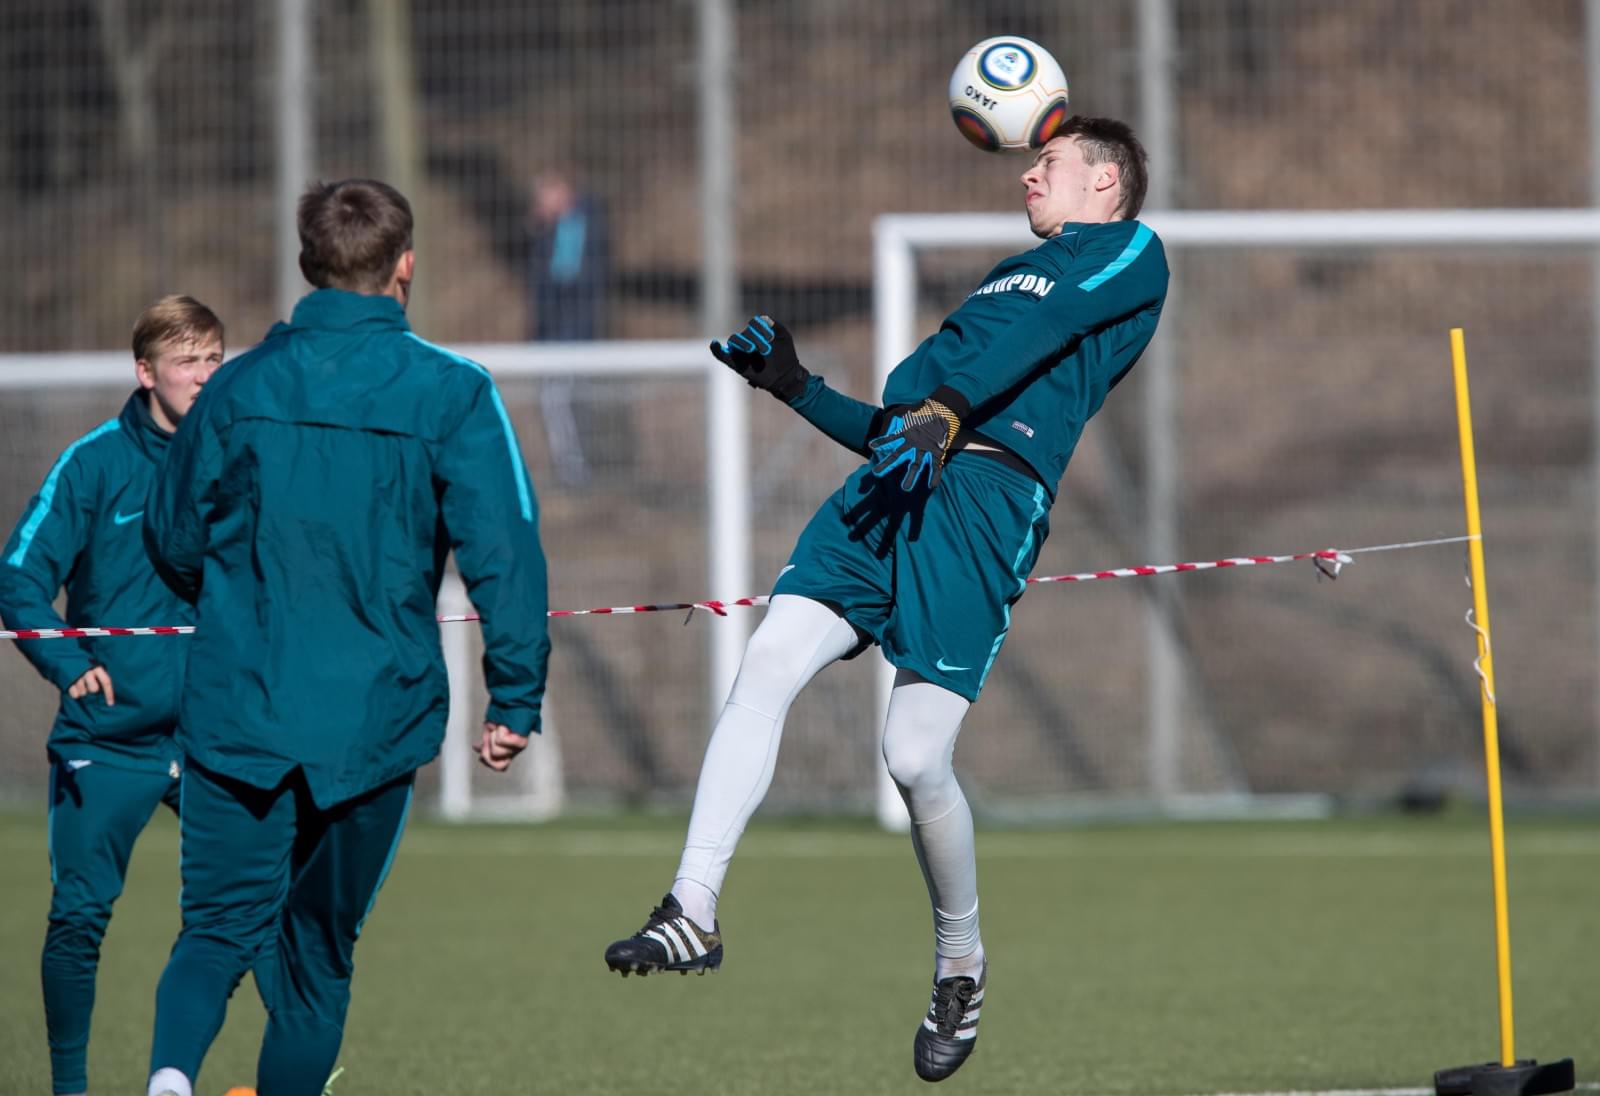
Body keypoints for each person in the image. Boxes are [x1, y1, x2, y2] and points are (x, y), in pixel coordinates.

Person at [603, 116, 1168, 1084]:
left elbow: (1026, 349)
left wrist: (947, 410)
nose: (1029, 174)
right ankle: (691, 907)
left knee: (912, 756)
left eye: (1052, 163)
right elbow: (897, 429)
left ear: (1107, 183)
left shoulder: (1130, 251)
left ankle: (961, 963)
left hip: (986, 503)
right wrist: (793, 386)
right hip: (884, 496)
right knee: (770, 659)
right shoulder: (998, 277)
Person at [141, 179, 550, 1096]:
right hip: (373, 720)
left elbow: (170, 535)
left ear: (305, 264)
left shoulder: (236, 386)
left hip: (238, 706)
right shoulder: (453, 392)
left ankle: (169, 1079)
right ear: (404, 264)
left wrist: (245, 609)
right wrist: (513, 696)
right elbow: (506, 556)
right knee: (318, 956)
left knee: (212, 932)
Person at [0, 295, 223, 1096]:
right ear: (145, 371)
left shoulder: (240, 456)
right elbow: (19, 576)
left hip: (215, 738)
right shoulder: (93, 462)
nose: (201, 376)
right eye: (185, 361)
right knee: (79, 919)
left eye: (211, 360)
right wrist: (69, 663)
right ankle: (69, 1089)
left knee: (258, 912)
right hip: (109, 738)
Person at [525, 167, 613, 485]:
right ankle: (572, 465)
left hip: (573, 328)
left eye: (545, 195)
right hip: (556, 329)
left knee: (565, 395)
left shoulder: (580, 223)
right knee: (556, 396)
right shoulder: (552, 229)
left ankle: (577, 466)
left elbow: (567, 278)